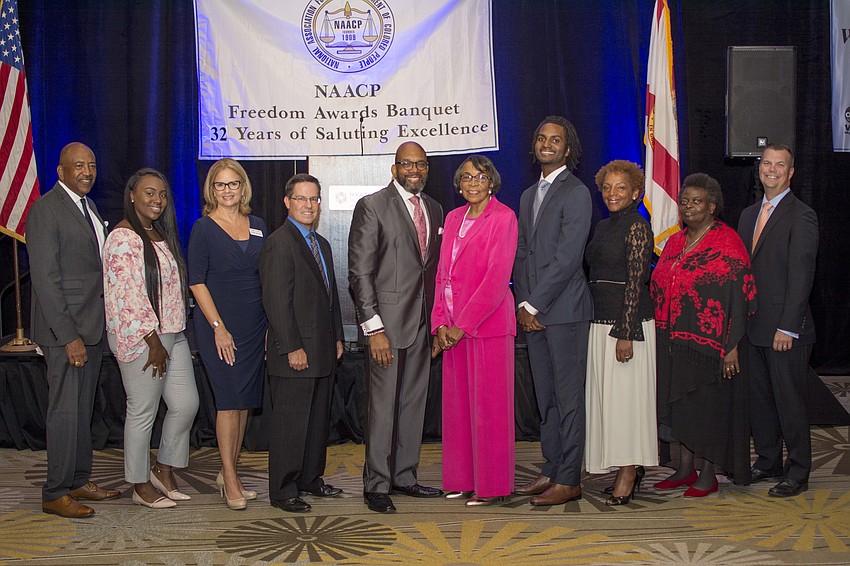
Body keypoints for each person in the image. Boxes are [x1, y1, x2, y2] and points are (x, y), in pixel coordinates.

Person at [348, 141, 445, 513]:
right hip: (385, 327)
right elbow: (360, 272)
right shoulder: (372, 206)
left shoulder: (434, 208)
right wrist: (374, 329)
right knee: (383, 408)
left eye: (421, 164)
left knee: (413, 405)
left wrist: (436, 325)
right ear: (394, 169)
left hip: (422, 325)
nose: (414, 170)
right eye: (407, 164)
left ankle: (405, 477)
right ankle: (376, 484)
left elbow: (432, 272)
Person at [27, 142, 120, 518]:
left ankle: (79, 480)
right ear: (60, 171)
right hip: (65, 332)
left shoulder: (89, 207)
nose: (86, 171)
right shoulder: (45, 210)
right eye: (78, 165)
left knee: (81, 410)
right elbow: (46, 281)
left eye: (92, 165)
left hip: (91, 326)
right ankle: (54, 492)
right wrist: (68, 336)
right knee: (64, 412)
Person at [651, 173, 756, 497]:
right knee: (679, 407)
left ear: (712, 206)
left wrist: (731, 347)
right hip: (673, 343)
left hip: (710, 348)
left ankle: (707, 473)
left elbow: (741, 297)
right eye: (684, 201)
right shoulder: (676, 241)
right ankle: (684, 468)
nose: (688, 206)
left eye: (696, 201)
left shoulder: (728, 242)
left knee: (705, 411)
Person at [103, 168, 199, 509]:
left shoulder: (158, 234)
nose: (156, 200)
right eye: (149, 193)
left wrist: (172, 333)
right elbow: (127, 295)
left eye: (161, 194)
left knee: (186, 404)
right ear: (132, 195)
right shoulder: (122, 237)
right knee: (142, 411)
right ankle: (140, 483)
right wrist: (152, 341)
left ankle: (163, 468)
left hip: (174, 332)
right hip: (144, 339)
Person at [513, 116, 593, 506]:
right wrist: (523, 303)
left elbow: (567, 257)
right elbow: (521, 252)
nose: (547, 144)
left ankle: (569, 478)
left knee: (568, 398)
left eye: (556, 139)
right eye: (542, 138)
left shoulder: (576, 192)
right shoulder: (529, 194)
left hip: (565, 313)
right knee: (546, 397)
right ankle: (551, 468)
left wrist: (534, 302)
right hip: (534, 313)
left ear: (567, 148)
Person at [430, 156, 518, 507]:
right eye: (465, 176)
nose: (472, 182)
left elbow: (496, 280)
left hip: (488, 327)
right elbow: (441, 275)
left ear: (491, 182)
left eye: (479, 176)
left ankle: (493, 487)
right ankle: (463, 480)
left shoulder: (504, 218)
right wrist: (440, 323)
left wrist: (460, 326)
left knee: (490, 411)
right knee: (458, 411)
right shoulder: (452, 219)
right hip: (451, 328)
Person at [259, 173, 344, 513]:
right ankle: (282, 490)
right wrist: (291, 346)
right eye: (301, 199)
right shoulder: (280, 243)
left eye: (314, 199)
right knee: (291, 425)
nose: (308, 205)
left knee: (315, 421)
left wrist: (337, 336)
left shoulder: (319, 243)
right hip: (294, 352)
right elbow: (276, 301)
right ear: (287, 202)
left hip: (322, 349)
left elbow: (330, 296)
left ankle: (310, 479)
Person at [738, 144, 818, 498]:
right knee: (760, 402)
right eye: (767, 163)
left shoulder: (801, 215)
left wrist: (788, 326)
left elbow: (802, 276)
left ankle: (798, 470)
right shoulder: (748, 214)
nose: (771, 169)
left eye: (779, 164)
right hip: (752, 327)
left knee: (790, 403)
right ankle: (768, 460)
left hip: (785, 330)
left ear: (791, 172)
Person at [188, 158, 267, 510]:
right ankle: (230, 478)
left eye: (233, 184)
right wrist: (218, 328)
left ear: (243, 187)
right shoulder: (203, 228)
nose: (227, 190)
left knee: (245, 401)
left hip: (254, 326)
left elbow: (265, 276)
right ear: (211, 190)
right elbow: (196, 281)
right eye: (220, 185)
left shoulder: (259, 225)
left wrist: (269, 326)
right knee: (229, 400)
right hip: (219, 326)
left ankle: (229, 469)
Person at [584, 160, 657, 505]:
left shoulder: (638, 227)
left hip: (627, 327)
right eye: (607, 188)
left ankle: (630, 470)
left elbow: (636, 281)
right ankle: (622, 466)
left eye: (621, 188)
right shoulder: (602, 226)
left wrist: (625, 332)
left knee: (627, 402)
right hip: (599, 324)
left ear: (636, 193)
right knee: (610, 403)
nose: (612, 194)